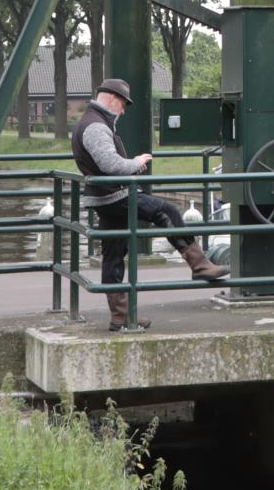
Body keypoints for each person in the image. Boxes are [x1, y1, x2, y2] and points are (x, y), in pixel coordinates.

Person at [70, 77, 227, 330]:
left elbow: (105, 164)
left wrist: (129, 166)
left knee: (113, 253)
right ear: (113, 99)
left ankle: (120, 317)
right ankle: (200, 265)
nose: (123, 111)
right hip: (115, 196)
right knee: (166, 211)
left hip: (104, 196)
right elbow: (111, 165)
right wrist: (136, 162)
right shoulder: (96, 126)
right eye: (123, 104)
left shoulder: (90, 122)